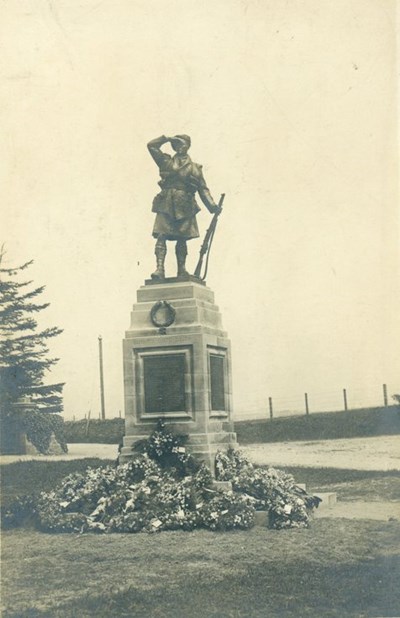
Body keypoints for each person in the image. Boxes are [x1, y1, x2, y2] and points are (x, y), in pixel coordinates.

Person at [147, 134, 220, 280]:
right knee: (161, 235)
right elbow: (151, 146)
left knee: (182, 238)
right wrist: (165, 138)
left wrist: (213, 206)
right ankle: (159, 269)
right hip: (166, 202)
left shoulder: (195, 168)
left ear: (188, 146)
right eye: (176, 144)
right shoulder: (166, 161)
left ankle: (182, 269)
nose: (179, 147)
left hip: (185, 204)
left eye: (182, 144)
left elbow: (202, 189)